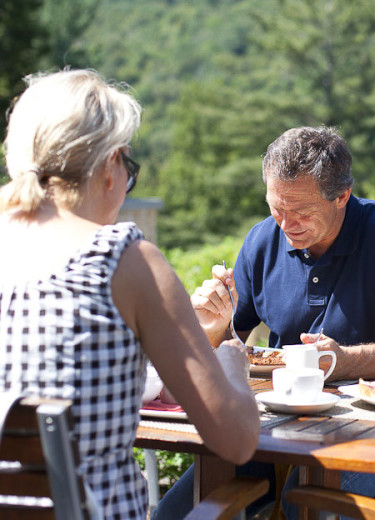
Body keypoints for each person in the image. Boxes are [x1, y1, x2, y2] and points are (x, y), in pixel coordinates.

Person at [0, 69, 260, 519]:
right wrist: (232, 362)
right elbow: (235, 441)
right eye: (129, 168)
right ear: (108, 166)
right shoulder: (123, 259)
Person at [156, 126, 375, 519]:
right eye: (276, 208)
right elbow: (229, 345)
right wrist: (212, 325)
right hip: (279, 430)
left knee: (303, 498)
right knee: (176, 512)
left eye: (301, 212)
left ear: (342, 196)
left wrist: (343, 361)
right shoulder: (262, 241)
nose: (285, 224)